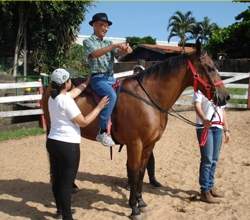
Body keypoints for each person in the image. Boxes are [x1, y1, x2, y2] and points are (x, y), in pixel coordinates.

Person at [46, 68, 108, 220]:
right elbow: (84, 122)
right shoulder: (66, 101)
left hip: (53, 142)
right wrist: (99, 107)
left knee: (57, 178)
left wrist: (86, 82)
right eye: (69, 81)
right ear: (65, 83)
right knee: (66, 183)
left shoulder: (52, 97)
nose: (71, 83)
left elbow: (74, 93)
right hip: (68, 146)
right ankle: (67, 217)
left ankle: (60, 211)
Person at [83, 12, 132, 147]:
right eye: (102, 25)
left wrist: (126, 50)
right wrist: (113, 46)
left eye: (106, 26)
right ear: (94, 25)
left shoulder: (108, 42)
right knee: (110, 95)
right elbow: (94, 54)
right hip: (98, 79)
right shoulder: (88, 42)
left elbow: (119, 54)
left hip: (111, 77)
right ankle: (103, 131)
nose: (105, 28)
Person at [193, 90, 230, 203]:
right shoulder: (199, 90)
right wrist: (204, 119)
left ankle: (210, 186)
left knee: (214, 159)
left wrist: (226, 130)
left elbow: (222, 112)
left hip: (218, 128)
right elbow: (197, 106)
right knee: (207, 159)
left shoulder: (220, 92)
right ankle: (204, 191)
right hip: (205, 128)